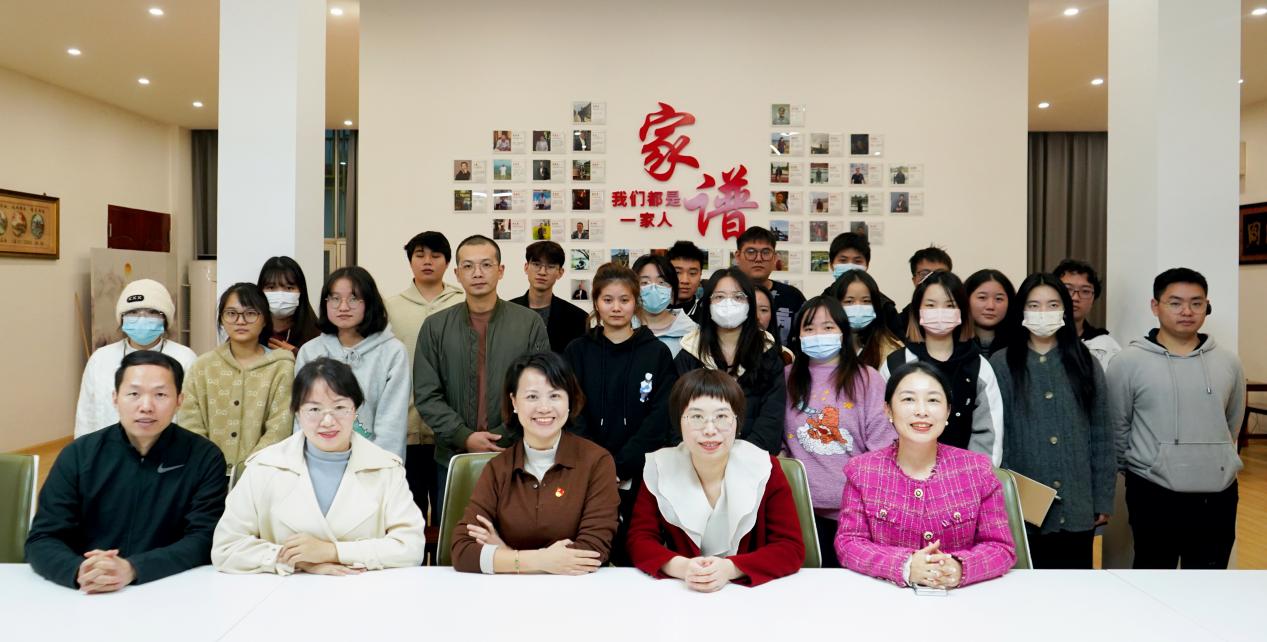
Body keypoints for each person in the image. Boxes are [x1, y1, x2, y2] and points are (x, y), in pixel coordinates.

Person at [27, 351, 227, 591]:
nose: (146, 407)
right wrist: (80, 571)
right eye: (134, 394)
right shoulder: (79, 454)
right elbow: (43, 537)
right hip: (86, 591)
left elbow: (204, 538)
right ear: (115, 398)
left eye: (160, 395)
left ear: (179, 401)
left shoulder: (204, 457)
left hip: (168, 588)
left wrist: (133, 568)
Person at [212, 358, 425, 574]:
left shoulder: (385, 468)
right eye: (314, 409)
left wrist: (332, 552)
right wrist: (298, 561)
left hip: (362, 589)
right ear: (297, 412)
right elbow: (226, 547)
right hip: (287, 589)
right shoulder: (264, 466)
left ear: (355, 410)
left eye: (340, 407)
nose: (328, 421)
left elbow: (411, 547)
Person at [1108, 268, 1244, 570]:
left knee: (1210, 581)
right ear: (1155, 306)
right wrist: (1146, 467)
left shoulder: (1229, 362)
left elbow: (1231, 423)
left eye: (1196, 303)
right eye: (1175, 303)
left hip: (1218, 493)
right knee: (1154, 579)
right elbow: (1117, 427)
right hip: (1152, 490)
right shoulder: (1127, 362)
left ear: (1206, 306)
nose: (1187, 311)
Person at [836, 361, 1015, 588]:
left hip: (960, 599)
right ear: (888, 410)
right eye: (908, 399)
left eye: (933, 400)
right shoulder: (862, 471)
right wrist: (905, 566)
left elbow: (1001, 548)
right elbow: (849, 544)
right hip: (887, 597)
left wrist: (959, 568)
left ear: (948, 411)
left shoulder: (977, 470)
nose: (921, 411)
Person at [627, 369, 805, 589]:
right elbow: (639, 541)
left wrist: (731, 569)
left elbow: (790, 548)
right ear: (678, 421)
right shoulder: (660, 466)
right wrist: (682, 567)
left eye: (721, 417)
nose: (710, 430)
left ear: (737, 421)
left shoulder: (764, 467)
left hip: (749, 595)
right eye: (696, 417)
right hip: (683, 593)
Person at [414, 235, 551, 516]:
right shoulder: (435, 327)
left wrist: (503, 435)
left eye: (486, 265)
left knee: (516, 535)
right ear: (457, 274)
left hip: (515, 455)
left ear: (500, 271)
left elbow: (539, 391)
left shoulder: (528, 323)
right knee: (454, 536)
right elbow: (427, 394)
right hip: (452, 458)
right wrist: (463, 436)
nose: (477, 273)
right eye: (468, 266)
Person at [452, 352, 620, 574]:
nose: (544, 408)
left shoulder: (597, 462)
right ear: (514, 402)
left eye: (554, 396)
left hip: (576, 590)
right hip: (507, 593)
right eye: (532, 397)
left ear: (569, 401)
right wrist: (540, 561)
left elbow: (592, 552)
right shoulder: (498, 468)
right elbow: (463, 551)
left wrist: (506, 553)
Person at [993, 273, 1112, 569]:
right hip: (1023, 504)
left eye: (1052, 305)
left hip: (1077, 502)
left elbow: (1102, 434)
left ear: (1064, 311)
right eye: (1034, 305)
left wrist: (1102, 498)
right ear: (1021, 311)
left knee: (1076, 588)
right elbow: (995, 437)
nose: (1043, 312)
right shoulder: (1001, 363)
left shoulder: (1086, 362)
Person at [566, 263, 678, 559]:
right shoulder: (577, 351)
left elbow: (660, 417)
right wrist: (601, 467)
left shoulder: (657, 353)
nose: (616, 308)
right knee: (589, 554)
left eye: (624, 300)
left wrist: (621, 466)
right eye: (608, 300)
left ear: (636, 302)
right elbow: (571, 411)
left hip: (641, 474)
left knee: (637, 554)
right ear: (595, 302)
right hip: (586, 472)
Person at [783, 297, 894, 568]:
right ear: (798, 335)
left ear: (843, 332)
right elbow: (779, 441)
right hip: (799, 512)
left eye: (828, 327)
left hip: (854, 513)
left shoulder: (868, 378)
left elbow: (883, 447)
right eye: (809, 328)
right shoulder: (785, 377)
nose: (818, 335)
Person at [880, 270, 1003, 466]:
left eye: (949, 305)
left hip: (963, 476)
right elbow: (881, 426)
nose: (940, 312)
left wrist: (974, 475)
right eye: (930, 305)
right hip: (902, 472)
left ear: (962, 311)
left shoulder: (979, 366)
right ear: (917, 310)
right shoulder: (896, 364)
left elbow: (989, 434)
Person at [385, 231, 465, 518]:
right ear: (410, 261)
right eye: (420, 255)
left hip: (453, 428)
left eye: (435, 256)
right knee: (409, 512)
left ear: (448, 262)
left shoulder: (463, 303)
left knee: (451, 512)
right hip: (406, 428)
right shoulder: (390, 307)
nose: (427, 261)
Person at [177, 283, 295, 475]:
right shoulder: (203, 366)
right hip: (206, 474)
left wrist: (250, 469)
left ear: (265, 319)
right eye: (231, 313)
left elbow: (280, 427)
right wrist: (210, 465)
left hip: (262, 474)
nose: (240, 321)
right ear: (222, 319)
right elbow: (189, 422)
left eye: (250, 313)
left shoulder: (282, 367)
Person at [297, 267, 410, 460]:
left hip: (372, 464)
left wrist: (381, 468)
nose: (343, 307)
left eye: (353, 299)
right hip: (317, 461)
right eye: (335, 298)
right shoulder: (310, 351)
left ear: (370, 302)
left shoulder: (393, 352)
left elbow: (392, 424)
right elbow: (301, 417)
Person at [673, 268, 787, 455]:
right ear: (707, 304)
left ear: (750, 304)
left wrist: (741, 459)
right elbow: (678, 417)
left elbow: (771, 420)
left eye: (738, 297)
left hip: (753, 460)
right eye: (719, 297)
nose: (728, 304)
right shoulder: (689, 354)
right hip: (699, 459)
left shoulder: (768, 353)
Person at [74, 279, 197, 438]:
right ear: (122, 318)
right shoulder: (100, 358)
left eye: (152, 312)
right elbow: (86, 415)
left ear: (165, 319)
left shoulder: (184, 358)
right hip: (108, 447)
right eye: (133, 312)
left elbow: (192, 418)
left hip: (167, 447)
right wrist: (85, 449)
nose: (142, 318)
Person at [510, 241, 588, 354]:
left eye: (550, 266)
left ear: (560, 272)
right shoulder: (506, 312)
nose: (542, 272)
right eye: (536, 264)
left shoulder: (578, 318)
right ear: (526, 268)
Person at [734, 227, 805, 345]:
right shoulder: (726, 295)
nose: (758, 259)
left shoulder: (792, 296)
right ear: (737, 256)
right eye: (750, 252)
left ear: (775, 257)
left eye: (766, 252)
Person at [823, 269, 904, 370]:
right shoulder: (824, 345)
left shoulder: (893, 350)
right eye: (849, 301)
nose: (858, 307)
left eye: (866, 301)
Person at [1052, 259, 1123, 370]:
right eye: (1068, 289)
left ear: (1093, 299)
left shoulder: (1107, 346)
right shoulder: (1038, 340)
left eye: (1085, 291)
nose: (1075, 298)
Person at [828, 232, 900, 326]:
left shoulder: (885, 307)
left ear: (867, 266)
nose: (850, 266)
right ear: (831, 265)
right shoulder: (821, 304)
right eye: (843, 260)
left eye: (857, 261)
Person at [634, 254, 697, 357]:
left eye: (661, 282)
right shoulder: (623, 326)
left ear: (673, 290)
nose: (653, 289)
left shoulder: (691, 332)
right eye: (645, 282)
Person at [256, 257, 321, 354]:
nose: (280, 295)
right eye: (271, 287)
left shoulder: (317, 334)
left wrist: (298, 355)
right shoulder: (251, 331)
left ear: (301, 292)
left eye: (289, 288)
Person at [887, 245, 954, 339]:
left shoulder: (960, 317)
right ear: (914, 280)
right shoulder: (899, 323)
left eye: (940, 274)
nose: (933, 279)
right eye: (925, 274)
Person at [965, 269, 1017, 356]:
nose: (990, 306)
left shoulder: (1022, 346)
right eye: (982, 297)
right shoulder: (952, 345)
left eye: (998, 299)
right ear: (966, 299)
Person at [753, 283, 794, 365]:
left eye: (764, 310)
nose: (757, 316)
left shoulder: (786, 356)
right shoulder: (727, 352)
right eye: (750, 309)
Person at [668, 240, 706, 319]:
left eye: (692, 273)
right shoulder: (650, 315)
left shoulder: (706, 319)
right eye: (677, 272)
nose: (685, 281)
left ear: (700, 275)